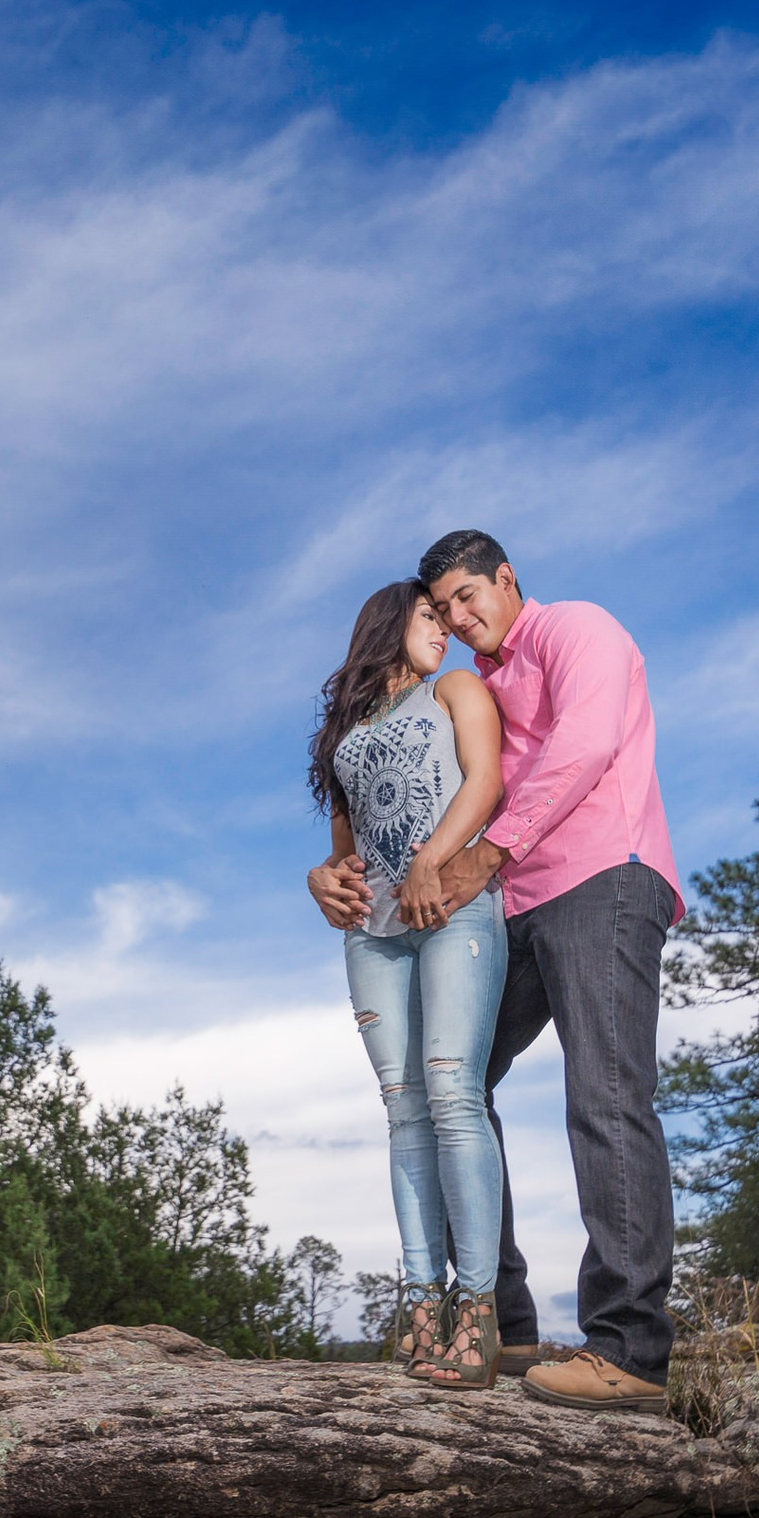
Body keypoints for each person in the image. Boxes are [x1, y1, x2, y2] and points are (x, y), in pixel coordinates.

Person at [310, 532, 683, 1414]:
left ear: (508, 578)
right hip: (518, 902)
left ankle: (629, 1349)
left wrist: (483, 852)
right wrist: (336, 868)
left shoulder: (576, 630)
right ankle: (507, 1321)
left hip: (604, 878)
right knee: (462, 1082)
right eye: (442, 610)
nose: (459, 618)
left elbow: (586, 745)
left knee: (605, 1091)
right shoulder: (480, 681)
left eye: (470, 597)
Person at [306, 580, 509, 1388]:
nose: (449, 630)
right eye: (431, 616)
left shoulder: (456, 690)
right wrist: (318, 881)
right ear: (390, 624)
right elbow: (340, 851)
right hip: (374, 936)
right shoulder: (343, 735)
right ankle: (421, 1304)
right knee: (404, 1111)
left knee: (454, 1091)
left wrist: (432, 858)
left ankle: (480, 1315)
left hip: (456, 911)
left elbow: (486, 782)